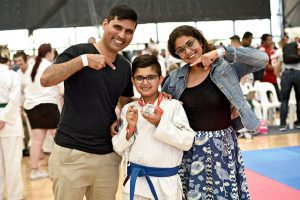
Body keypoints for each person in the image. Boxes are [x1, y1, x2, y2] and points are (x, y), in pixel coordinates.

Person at [40, 4, 138, 200]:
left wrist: (158, 99)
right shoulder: (79, 51)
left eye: (129, 31)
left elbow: (126, 102)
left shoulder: (125, 67)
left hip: (108, 156)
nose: (122, 35)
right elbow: (46, 79)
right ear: (105, 24)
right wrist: (84, 61)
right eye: (117, 27)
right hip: (71, 152)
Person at [162, 25, 268, 199]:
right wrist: (164, 100)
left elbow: (262, 59)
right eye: (180, 50)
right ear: (176, 55)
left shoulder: (226, 67)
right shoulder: (175, 78)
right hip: (190, 149)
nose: (188, 52)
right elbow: (164, 105)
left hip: (223, 146)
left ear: (201, 42)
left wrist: (220, 52)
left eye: (190, 44)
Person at [112, 54, 195, 200]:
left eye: (150, 77)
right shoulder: (129, 109)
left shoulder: (173, 106)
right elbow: (119, 148)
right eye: (139, 78)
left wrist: (159, 122)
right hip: (136, 183)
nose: (145, 83)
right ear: (132, 80)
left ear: (160, 79)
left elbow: (187, 142)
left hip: (166, 186)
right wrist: (130, 128)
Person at [23, 43, 61, 180]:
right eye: (53, 52)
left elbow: (24, 85)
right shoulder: (49, 66)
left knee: (37, 140)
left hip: (31, 107)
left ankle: (34, 171)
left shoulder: (32, 65)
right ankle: (59, 169)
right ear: (48, 53)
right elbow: (61, 88)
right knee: (60, 138)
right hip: (47, 105)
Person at [0, 45, 24, 200]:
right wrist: (2, 118)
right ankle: (15, 196)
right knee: (13, 164)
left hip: (6, 119)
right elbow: (15, 99)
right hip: (10, 122)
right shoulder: (13, 75)